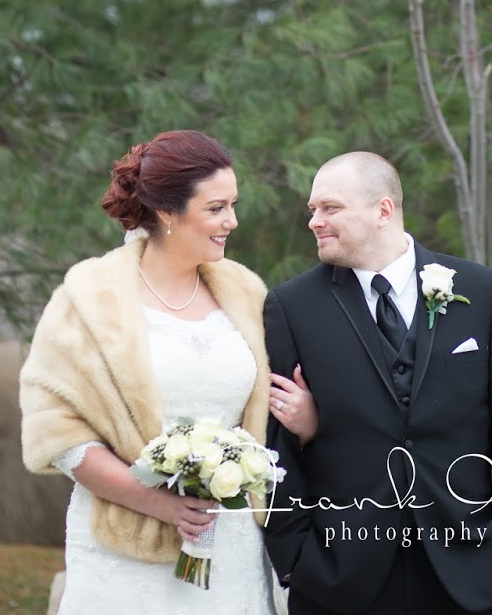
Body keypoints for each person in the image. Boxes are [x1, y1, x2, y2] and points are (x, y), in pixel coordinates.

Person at [20, 129, 308, 614]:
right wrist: (158, 503)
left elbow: (271, 409)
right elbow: (59, 431)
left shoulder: (247, 294)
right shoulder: (88, 298)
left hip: (231, 546)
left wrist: (306, 418)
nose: (232, 221)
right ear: (168, 212)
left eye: (233, 205)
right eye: (216, 208)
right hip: (125, 549)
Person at [262, 151, 492, 615]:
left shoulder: (483, 293)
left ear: (383, 210)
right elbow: (280, 450)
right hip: (341, 576)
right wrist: (296, 559)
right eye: (312, 209)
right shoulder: (291, 307)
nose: (314, 221)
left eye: (330, 208)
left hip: (474, 573)